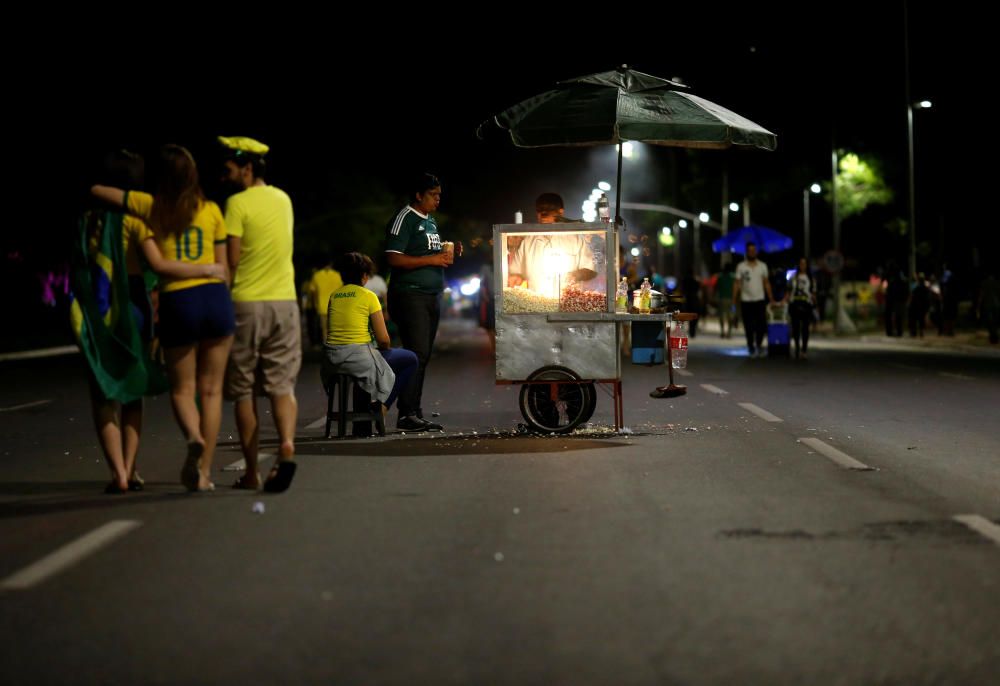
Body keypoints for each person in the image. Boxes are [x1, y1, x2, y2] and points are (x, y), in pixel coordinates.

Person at [78, 150, 226, 493]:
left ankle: (124, 472)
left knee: (113, 392)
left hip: (114, 308)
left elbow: (96, 195)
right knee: (146, 391)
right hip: (162, 303)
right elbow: (172, 265)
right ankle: (166, 469)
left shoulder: (109, 217)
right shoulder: (194, 212)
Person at [219, 136, 300, 492]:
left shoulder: (235, 204)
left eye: (229, 169)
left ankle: (252, 471)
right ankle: (286, 445)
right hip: (285, 301)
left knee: (243, 390)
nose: (225, 176)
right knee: (282, 385)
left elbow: (232, 262)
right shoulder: (283, 199)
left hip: (246, 304)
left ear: (247, 168)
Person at [384, 172, 458, 432]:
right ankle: (406, 414)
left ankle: (414, 410)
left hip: (431, 294)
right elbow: (393, 257)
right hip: (409, 294)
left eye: (439, 195)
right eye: (433, 195)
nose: (438, 199)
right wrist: (432, 260)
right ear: (418, 195)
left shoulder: (431, 222)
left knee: (423, 355)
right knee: (416, 353)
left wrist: (446, 253)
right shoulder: (404, 218)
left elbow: (430, 254)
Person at [321, 252, 418, 417]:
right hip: (359, 360)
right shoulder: (369, 296)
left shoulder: (334, 296)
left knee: (370, 358)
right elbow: (383, 340)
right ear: (365, 276)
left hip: (333, 361)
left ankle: (365, 417)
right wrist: (383, 347)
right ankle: (383, 407)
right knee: (411, 359)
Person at [508, 193, 596, 295]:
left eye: (548, 210)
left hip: (567, 303)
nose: (543, 214)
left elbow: (590, 269)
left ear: (561, 212)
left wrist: (575, 275)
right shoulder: (528, 240)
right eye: (540, 210)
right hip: (535, 304)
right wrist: (516, 278)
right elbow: (516, 271)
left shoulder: (576, 238)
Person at [733, 241, 775, 357]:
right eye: (750, 250)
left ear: (756, 252)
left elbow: (766, 283)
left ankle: (759, 344)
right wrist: (734, 299)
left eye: (753, 250)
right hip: (746, 300)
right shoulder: (741, 266)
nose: (752, 252)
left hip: (759, 300)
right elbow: (737, 283)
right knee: (748, 325)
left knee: (761, 324)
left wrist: (771, 298)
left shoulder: (763, 266)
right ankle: (751, 346)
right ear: (747, 252)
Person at [787, 257, 816, 358]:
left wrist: (815, 305)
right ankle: (797, 347)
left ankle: (804, 349)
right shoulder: (793, 277)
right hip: (795, 303)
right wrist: (784, 301)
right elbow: (789, 291)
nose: (803, 265)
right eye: (801, 263)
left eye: (805, 263)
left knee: (805, 328)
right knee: (795, 327)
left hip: (806, 304)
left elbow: (813, 293)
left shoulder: (810, 278)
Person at [716, 262, 736, 338]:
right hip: (731, 300)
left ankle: (722, 331)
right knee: (731, 316)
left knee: (721, 316)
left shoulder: (720, 277)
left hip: (721, 299)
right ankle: (729, 332)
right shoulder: (733, 277)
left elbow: (717, 288)